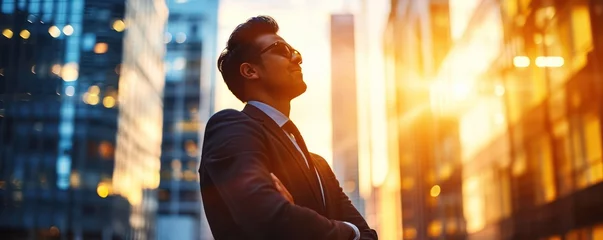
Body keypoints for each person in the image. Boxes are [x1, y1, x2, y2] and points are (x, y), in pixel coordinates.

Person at [199, 15, 378, 240]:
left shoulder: (319, 166)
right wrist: (349, 231)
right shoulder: (230, 127)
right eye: (281, 50)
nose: (297, 58)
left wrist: (298, 218)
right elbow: (269, 216)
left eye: (295, 51)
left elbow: (369, 237)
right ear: (250, 71)